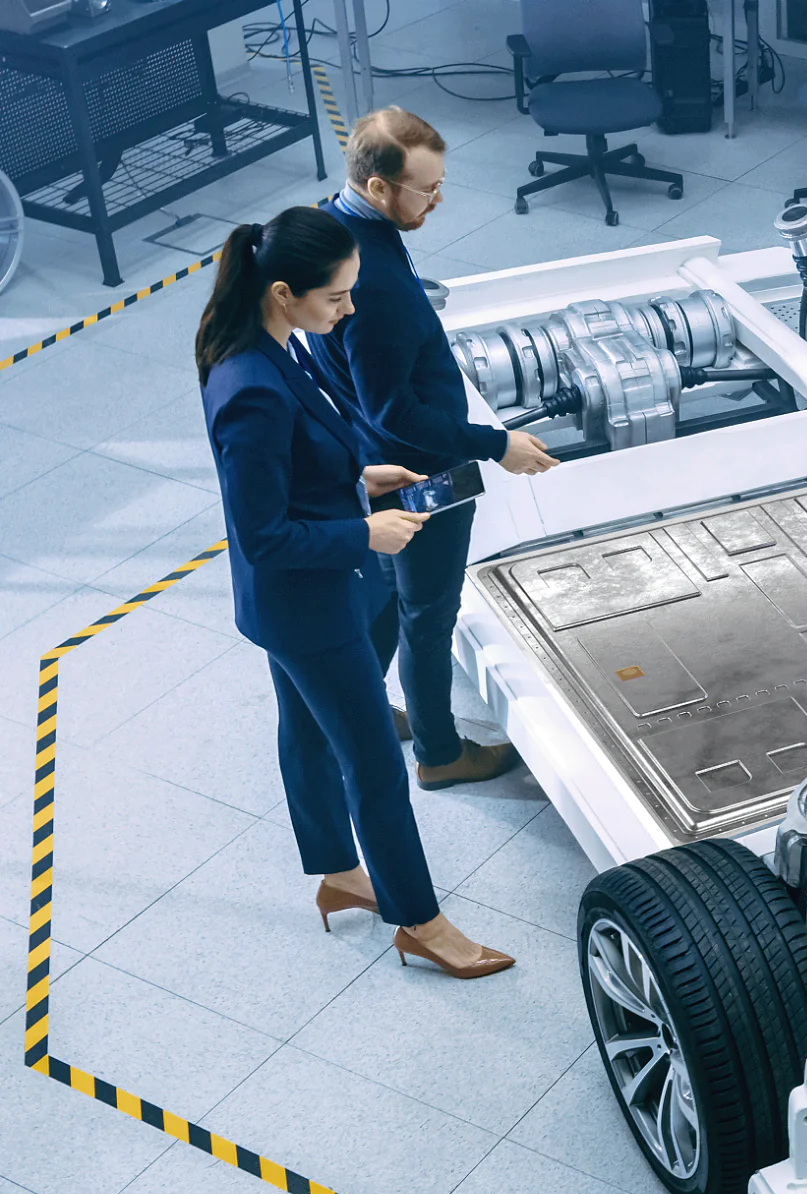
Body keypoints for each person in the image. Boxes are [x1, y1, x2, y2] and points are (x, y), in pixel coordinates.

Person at [198, 207, 514, 979]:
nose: (347, 311)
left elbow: (296, 464)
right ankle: (421, 922)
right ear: (283, 292)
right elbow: (263, 532)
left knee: (305, 733)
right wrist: (364, 533)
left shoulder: (274, 349)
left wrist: (359, 478)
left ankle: (339, 875)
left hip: (291, 606)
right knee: (374, 768)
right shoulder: (251, 388)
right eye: (337, 298)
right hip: (311, 608)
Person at [307, 106, 558, 791]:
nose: (438, 198)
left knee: (389, 595)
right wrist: (495, 443)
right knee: (427, 614)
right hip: (419, 469)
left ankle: (361, 712)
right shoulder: (376, 286)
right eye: (427, 188)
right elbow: (397, 410)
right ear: (381, 186)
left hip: (374, 457)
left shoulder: (336, 229)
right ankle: (441, 755)